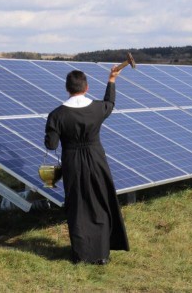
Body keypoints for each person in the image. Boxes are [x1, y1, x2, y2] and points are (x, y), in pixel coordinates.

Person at [44, 67, 130, 264]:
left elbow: (51, 145)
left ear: (67, 88)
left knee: (77, 205)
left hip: (72, 163)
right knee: (100, 201)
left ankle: (81, 255)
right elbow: (110, 103)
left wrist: (50, 132)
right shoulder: (97, 109)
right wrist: (111, 79)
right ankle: (101, 254)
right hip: (97, 159)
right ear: (86, 87)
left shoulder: (57, 114)